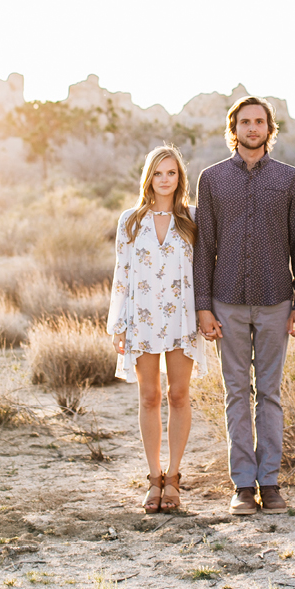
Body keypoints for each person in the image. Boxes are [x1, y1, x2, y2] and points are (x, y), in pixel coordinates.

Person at [194, 96, 295, 516]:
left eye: (259, 122)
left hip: (277, 300)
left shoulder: (289, 179)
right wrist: (203, 306)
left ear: (269, 128)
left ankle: (271, 482)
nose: (253, 128)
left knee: (271, 393)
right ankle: (243, 485)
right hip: (226, 302)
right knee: (236, 393)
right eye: (245, 122)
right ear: (234, 128)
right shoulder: (211, 180)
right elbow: (204, 247)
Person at [107, 144, 206, 514]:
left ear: (180, 178)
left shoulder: (194, 218)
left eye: (172, 173)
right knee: (149, 396)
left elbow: (203, 272)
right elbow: (122, 274)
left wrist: (205, 314)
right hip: (142, 318)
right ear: (148, 177)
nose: (165, 180)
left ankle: (175, 478)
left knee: (179, 394)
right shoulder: (130, 221)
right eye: (158, 173)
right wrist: (118, 323)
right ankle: (153, 479)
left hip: (182, 317)